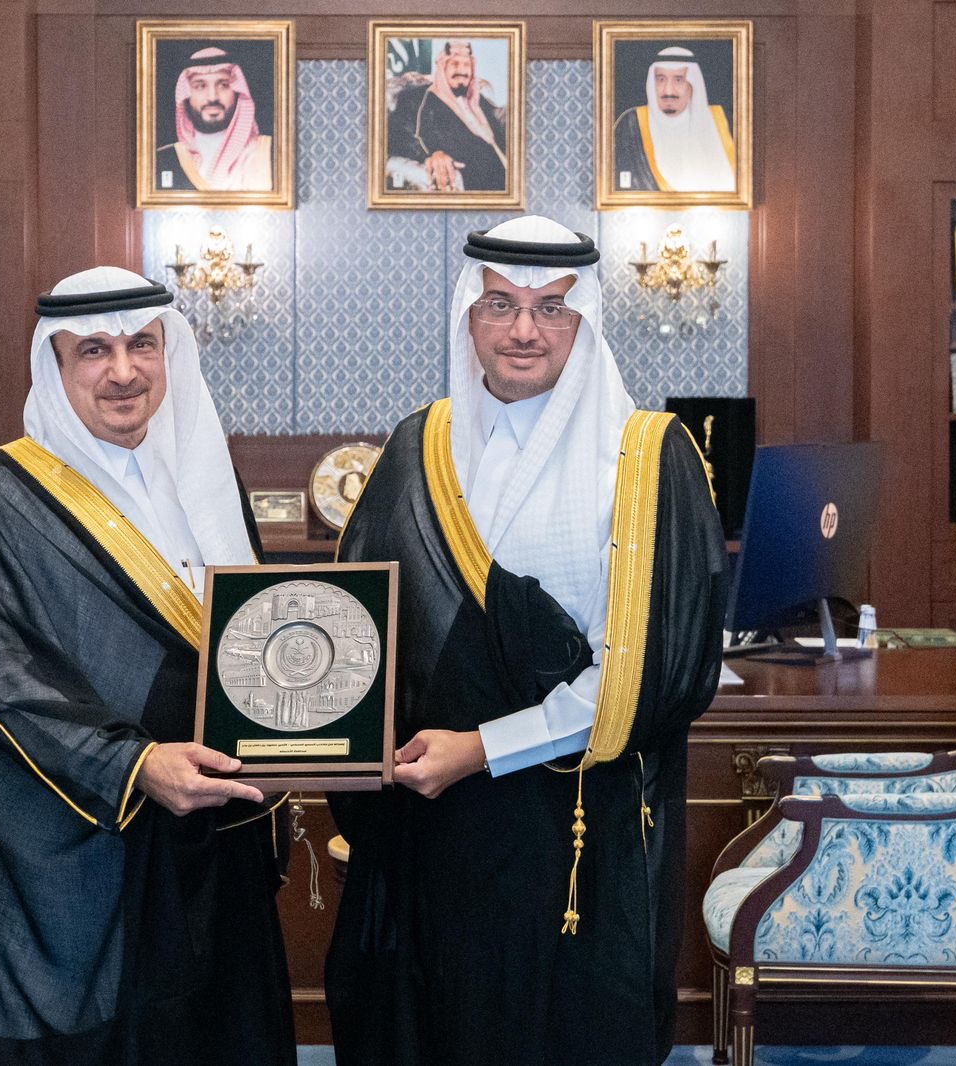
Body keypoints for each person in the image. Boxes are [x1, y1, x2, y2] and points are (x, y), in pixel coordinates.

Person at [325, 216, 727, 1066]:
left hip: (574, 829)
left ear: (586, 323)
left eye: (552, 309)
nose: (523, 330)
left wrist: (483, 748)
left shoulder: (649, 460)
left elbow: (648, 673)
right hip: (434, 818)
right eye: (500, 304)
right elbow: (360, 624)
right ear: (467, 317)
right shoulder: (418, 447)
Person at [0, 267, 296, 1065]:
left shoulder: (203, 475)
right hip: (85, 832)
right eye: (94, 350)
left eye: (141, 346)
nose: (123, 371)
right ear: (55, 366)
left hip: (212, 824)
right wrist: (135, 765)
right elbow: (0, 684)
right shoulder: (0, 497)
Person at [385, 41, 508, 193]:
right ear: (443, 67)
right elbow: (398, 137)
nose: (461, 70)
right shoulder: (416, 97)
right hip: (470, 187)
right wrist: (433, 155)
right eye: (454, 64)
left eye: (466, 64)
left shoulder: (479, 102)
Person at [612, 46, 737, 193]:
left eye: (679, 80)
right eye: (661, 80)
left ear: (693, 84)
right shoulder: (630, 124)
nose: (668, 91)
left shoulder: (722, 121)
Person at [156, 46, 273, 193]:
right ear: (186, 94)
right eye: (200, 86)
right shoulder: (162, 160)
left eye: (223, 85)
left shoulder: (271, 154)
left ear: (237, 91)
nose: (212, 97)